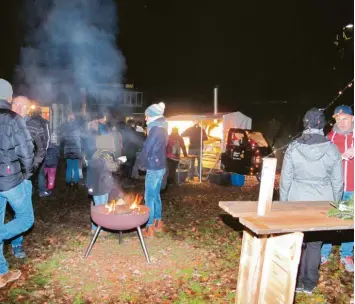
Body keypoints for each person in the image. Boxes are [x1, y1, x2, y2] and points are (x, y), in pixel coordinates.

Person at [280, 108, 343, 294]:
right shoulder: (331, 148)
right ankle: (309, 283)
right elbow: (337, 181)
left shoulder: (293, 147)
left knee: (298, 240)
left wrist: (284, 205)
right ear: (322, 124)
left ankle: (297, 281)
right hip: (321, 203)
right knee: (315, 244)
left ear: (305, 123)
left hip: (296, 200)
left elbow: (286, 179)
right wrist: (335, 204)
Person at [0, 79, 34, 286]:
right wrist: (26, 174)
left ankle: (1, 273)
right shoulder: (13, 119)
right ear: (9, 98)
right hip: (11, 180)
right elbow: (27, 152)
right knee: (26, 219)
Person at [321, 105, 354, 272]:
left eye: (345, 119)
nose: (341, 122)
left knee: (349, 222)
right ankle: (324, 253)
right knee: (330, 221)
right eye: (338, 119)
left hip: (352, 188)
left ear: (353, 118)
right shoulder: (330, 137)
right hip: (333, 189)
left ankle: (346, 254)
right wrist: (336, 158)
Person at [140, 102, 168, 238]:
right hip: (161, 165)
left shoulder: (155, 129)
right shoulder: (163, 127)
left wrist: (141, 163)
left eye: (147, 116)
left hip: (154, 166)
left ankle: (149, 227)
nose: (145, 119)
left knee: (149, 197)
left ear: (152, 116)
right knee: (156, 195)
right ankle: (158, 222)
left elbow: (147, 147)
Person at [12, 98, 50, 197]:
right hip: (7, 176)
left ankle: (39, 191)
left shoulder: (36, 124)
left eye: (23, 106)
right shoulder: (6, 121)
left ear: (29, 110)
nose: (19, 109)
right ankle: (41, 191)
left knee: (24, 206)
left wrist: (32, 167)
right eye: (15, 104)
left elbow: (43, 146)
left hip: (25, 171)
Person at [86, 156, 114, 234]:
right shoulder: (103, 157)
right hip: (100, 186)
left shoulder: (93, 158)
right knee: (101, 207)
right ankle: (99, 229)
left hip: (98, 186)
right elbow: (113, 167)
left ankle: (97, 227)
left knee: (100, 206)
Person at [59, 112, 83, 189]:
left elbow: (62, 139)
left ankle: (68, 181)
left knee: (69, 167)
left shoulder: (64, 127)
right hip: (76, 150)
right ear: (74, 118)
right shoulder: (78, 126)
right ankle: (75, 182)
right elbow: (82, 136)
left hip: (68, 150)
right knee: (75, 167)